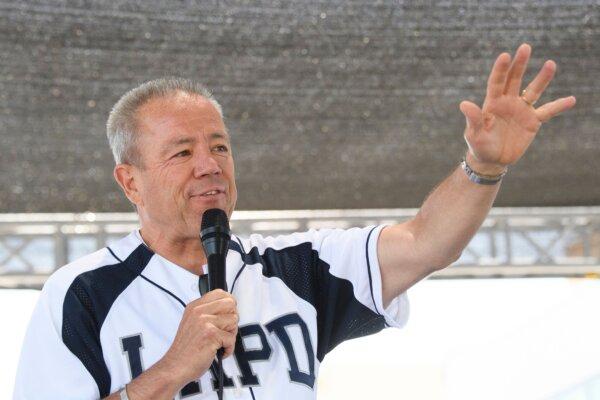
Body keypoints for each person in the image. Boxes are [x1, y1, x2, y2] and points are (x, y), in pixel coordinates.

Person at [13, 43, 575, 400]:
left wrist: (483, 166)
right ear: (129, 181)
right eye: (182, 153)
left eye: (220, 147)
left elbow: (427, 243)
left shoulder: (294, 268)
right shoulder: (81, 294)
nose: (210, 166)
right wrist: (169, 371)